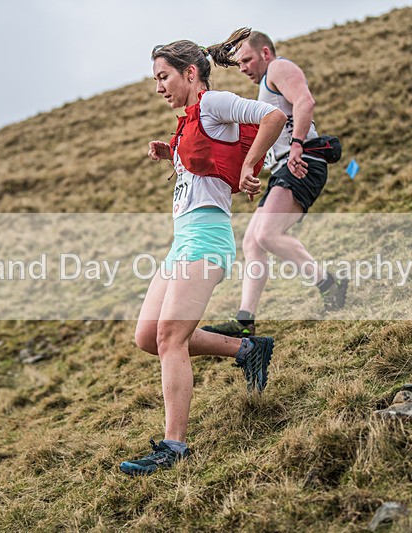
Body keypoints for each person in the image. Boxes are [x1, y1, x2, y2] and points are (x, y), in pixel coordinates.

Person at [119, 28, 287, 476]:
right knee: (148, 337)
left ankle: (174, 446)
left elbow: (272, 116)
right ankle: (246, 349)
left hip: (207, 238)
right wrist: (170, 152)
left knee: (170, 338)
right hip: (182, 240)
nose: (159, 87)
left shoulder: (213, 103)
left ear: (190, 73)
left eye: (164, 77)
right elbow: (204, 163)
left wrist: (249, 165)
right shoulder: (191, 119)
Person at [202, 31, 348, 339]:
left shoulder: (279, 68)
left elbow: (305, 101)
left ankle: (329, 283)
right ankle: (245, 321)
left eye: (247, 60)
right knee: (252, 242)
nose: (243, 68)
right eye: (239, 63)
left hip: (302, 162)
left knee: (267, 234)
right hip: (285, 167)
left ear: (265, 53)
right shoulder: (266, 86)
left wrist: (296, 145)